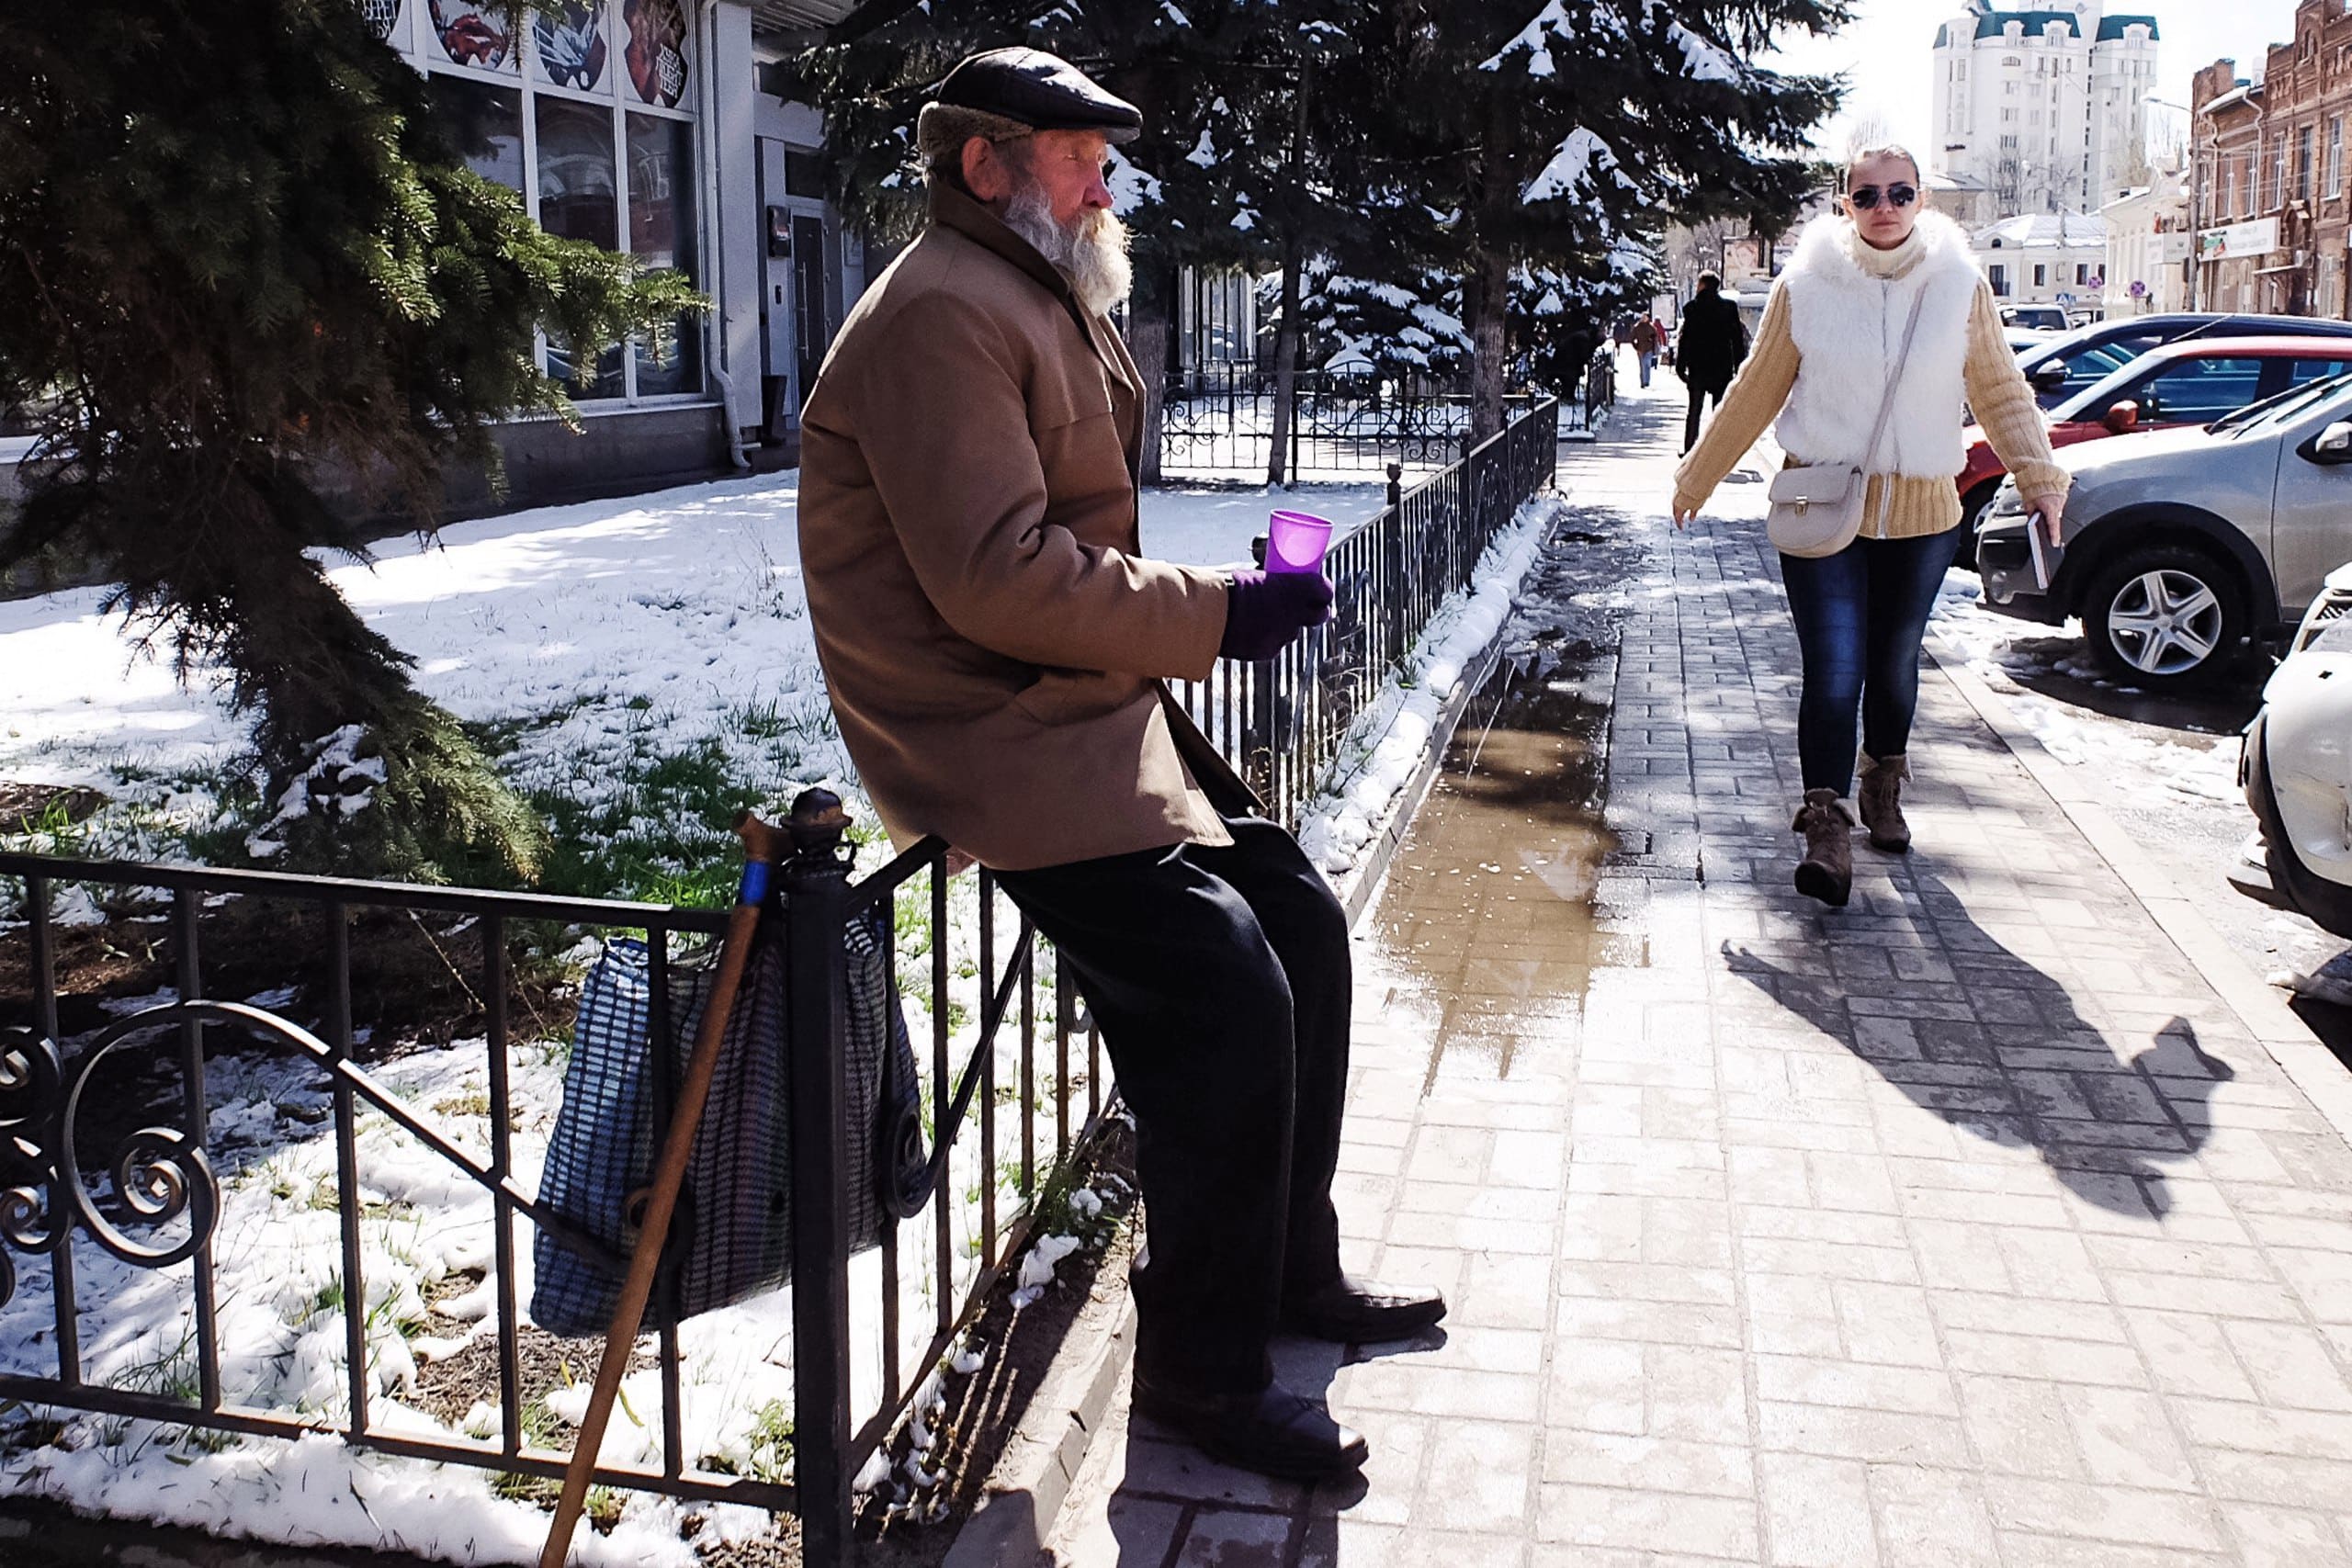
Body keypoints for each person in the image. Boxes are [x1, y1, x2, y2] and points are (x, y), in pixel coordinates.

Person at [796, 47, 1444, 1483]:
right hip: (989, 729)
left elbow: (1068, 538)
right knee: (1224, 993)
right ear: (987, 165)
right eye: (1080, 157)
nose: (1106, 182)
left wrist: (1216, 605)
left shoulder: (1022, 285)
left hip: (1077, 703)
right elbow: (997, 574)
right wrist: (1218, 611)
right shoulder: (940, 313)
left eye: (1104, 159)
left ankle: (1287, 1272)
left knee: (1300, 924)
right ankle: (1202, 1374)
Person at [1669, 145, 2068, 907]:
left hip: (1922, 517)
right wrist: (1698, 475)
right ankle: (1826, 826)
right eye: (1867, 195)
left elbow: (2000, 389)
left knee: (1893, 664)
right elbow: (1755, 390)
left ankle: (1883, 780)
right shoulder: (1806, 286)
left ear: (1921, 200)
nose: (1884, 206)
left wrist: (2040, 476)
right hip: (1823, 512)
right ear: (1844, 203)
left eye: (1900, 193)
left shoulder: (1958, 285)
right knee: (1834, 669)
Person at [1675, 270, 1747, 455]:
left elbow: (1685, 340)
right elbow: (1737, 341)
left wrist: (1680, 367)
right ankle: (1717, 452)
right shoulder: (1729, 308)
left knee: (1694, 411)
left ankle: (1690, 451)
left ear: (1702, 286)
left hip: (1697, 368)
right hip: (1722, 368)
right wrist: (1740, 367)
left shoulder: (1692, 309)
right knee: (1719, 412)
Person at [1630, 312, 1661, 388]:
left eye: (1645, 317)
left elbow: (1656, 336)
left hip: (1649, 348)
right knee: (1642, 365)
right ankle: (1643, 382)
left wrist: (1653, 340)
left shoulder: (1651, 327)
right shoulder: (1637, 327)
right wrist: (1636, 347)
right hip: (1640, 349)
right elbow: (1632, 338)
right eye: (1643, 317)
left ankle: (1647, 381)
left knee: (1647, 364)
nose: (1644, 318)